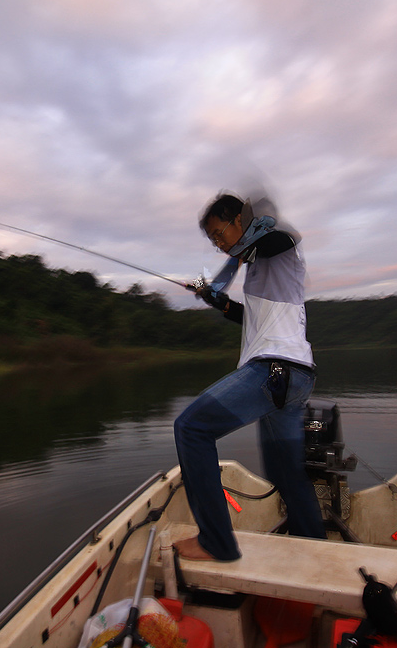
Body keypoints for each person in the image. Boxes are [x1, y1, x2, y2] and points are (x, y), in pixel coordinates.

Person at [173, 191, 325, 561]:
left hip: (274, 370)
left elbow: (282, 237)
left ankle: (216, 542)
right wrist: (217, 299)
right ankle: (315, 550)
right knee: (285, 474)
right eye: (212, 240)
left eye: (219, 232)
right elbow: (251, 320)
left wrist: (240, 252)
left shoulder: (278, 247)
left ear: (240, 219)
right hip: (291, 377)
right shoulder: (260, 268)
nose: (218, 242)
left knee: (191, 429)